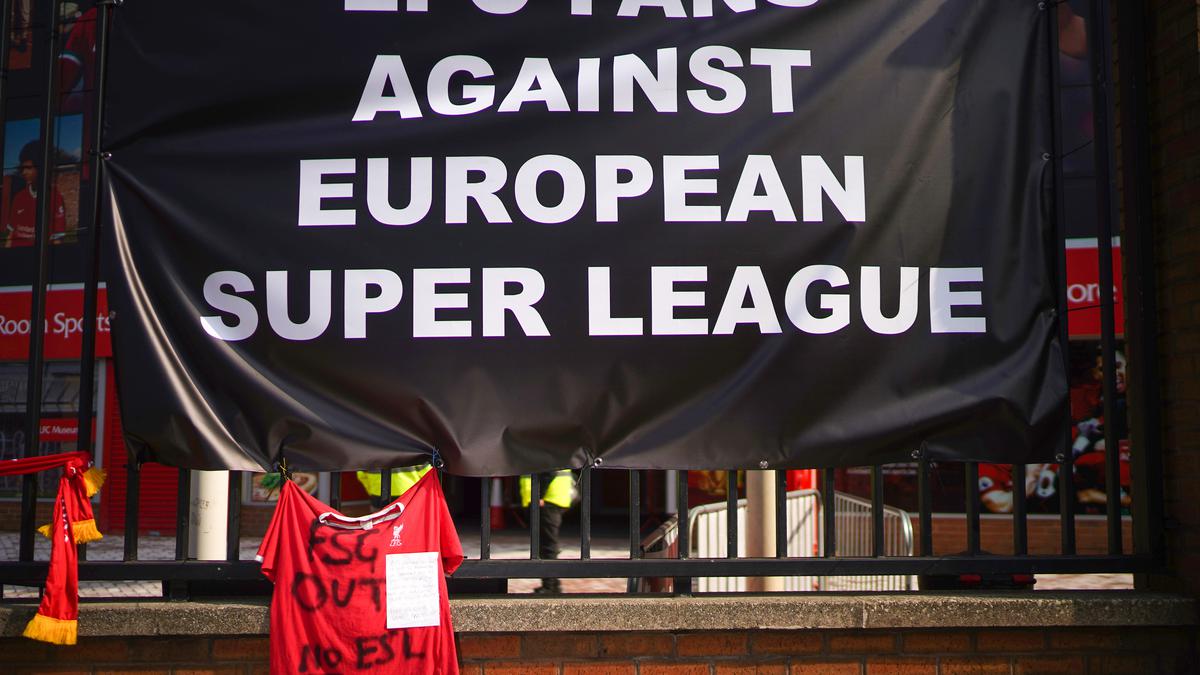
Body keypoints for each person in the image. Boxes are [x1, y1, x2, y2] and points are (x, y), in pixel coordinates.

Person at [519, 469, 576, 594]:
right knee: (547, 543)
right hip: (552, 501)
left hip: (547, 503)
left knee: (547, 545)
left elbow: (549, 472)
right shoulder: (557, 452)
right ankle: (553, 584)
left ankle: (550, 586)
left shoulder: (542, 452)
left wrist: (539, 496)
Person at [5, 141, 67, 247]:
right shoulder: (19, 197)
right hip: (16, 258)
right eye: (22, 168)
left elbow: (57, 240)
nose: (24, 172)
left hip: (37, 259)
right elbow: (11, 235)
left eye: (29, 168)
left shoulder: (55, 198)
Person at [355, 462, 432, 510]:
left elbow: (361, 475)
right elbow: (427, 473)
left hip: (378, 495)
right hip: (409, 495)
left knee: (378, 526)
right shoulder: (411, 448)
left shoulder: (370, 449)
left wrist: (371, 491)